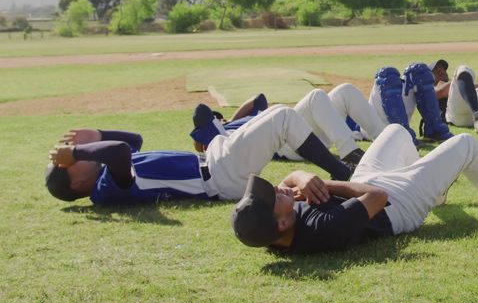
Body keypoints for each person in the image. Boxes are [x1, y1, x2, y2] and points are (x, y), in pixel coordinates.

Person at [230, 124, 478, 253]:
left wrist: (300, 177)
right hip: (396, 204)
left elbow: (288, 179)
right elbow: (376, 197)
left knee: (396, 131)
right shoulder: (321, 229)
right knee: (464, 144)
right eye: (273, 197)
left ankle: (435, 188)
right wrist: (322, 182)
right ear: (283, 223)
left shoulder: (274, 229)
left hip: (364, 186)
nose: (276, 188)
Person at [44, 106, 353, 205]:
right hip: (220, 176)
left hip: (216, 160)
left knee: (206, 115)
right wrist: (75, 151)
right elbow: (120, 152)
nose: (79, 160)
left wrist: (96, 134)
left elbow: (133, 140)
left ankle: (211, 131)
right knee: (282, 117)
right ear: (74, 184)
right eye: (71, 166)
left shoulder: (103, 172)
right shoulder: (104, 190)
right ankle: (343, 172)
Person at [189, 85, 384, 170]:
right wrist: (227, 125)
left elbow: (258, 99)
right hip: (288, 143)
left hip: (306, 132)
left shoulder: (248, 119)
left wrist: (231, 118)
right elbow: (200, 134)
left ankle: (386, 139)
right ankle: (350, 153)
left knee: (345, 91)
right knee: (316, 96)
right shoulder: (225, 136)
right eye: (218, 119)